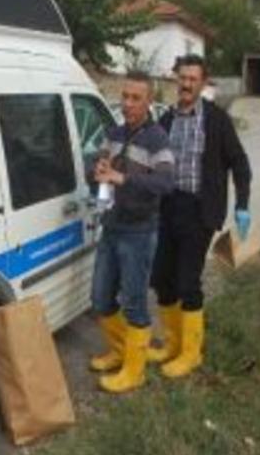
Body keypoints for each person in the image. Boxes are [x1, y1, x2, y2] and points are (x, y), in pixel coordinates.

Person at [148, 54, 252, 378]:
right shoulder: (165, 120)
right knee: (161, 278)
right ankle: (172, 342)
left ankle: (191, 353)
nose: (187, 84)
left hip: (199, 211)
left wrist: (242, 205)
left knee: (187, 281)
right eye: (183, 78)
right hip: (168, 209)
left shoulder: (217, 120)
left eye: (193, 79)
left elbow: (240, 163)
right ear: (176, 79)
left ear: (203, 83)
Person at [88, 72, 175, 393]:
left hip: (139, 233)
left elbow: (166, 183)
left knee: (135, 304)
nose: (127, 103)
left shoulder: (157, 139)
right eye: (124, 96)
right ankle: (120, 351)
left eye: (135, 98)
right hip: (111, 227)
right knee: (100, 298)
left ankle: (134, 372)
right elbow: (98, 166)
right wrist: (96, 170)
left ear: (149, 101)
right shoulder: (113, 132)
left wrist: (123, 179)